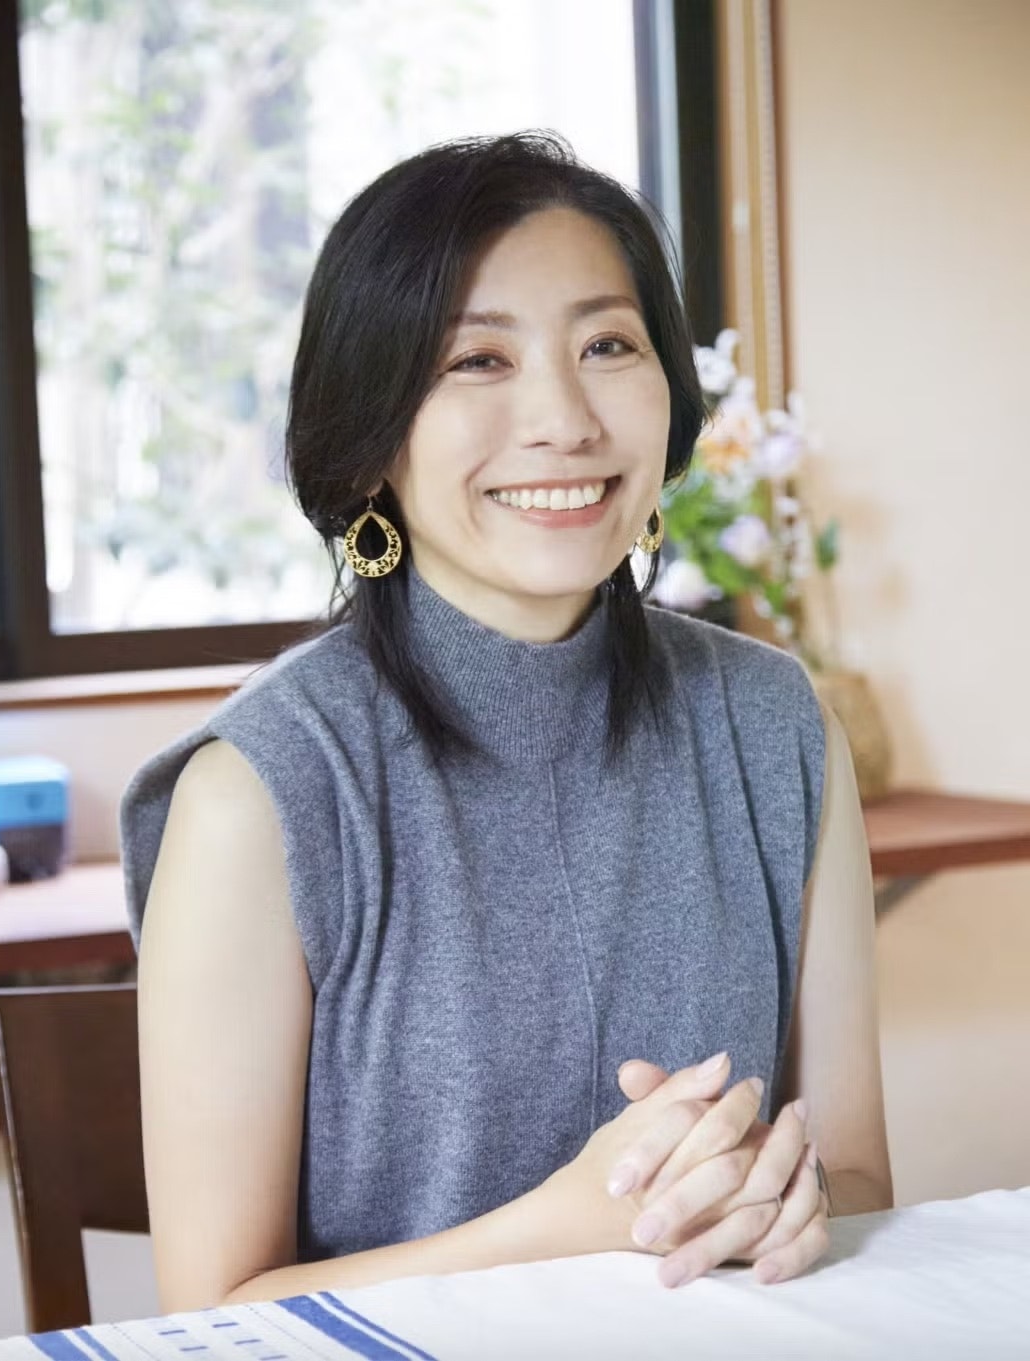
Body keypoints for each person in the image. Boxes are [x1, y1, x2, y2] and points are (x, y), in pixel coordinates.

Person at [120, 131, 892, 1311]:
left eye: (607, 345)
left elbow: (862, 1183)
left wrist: (782, 1199)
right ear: (370, 436)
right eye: (478, 359)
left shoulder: (776, 729)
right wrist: (567, 1228)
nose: (564, 419)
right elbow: (213, 1307)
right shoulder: (258, 791)